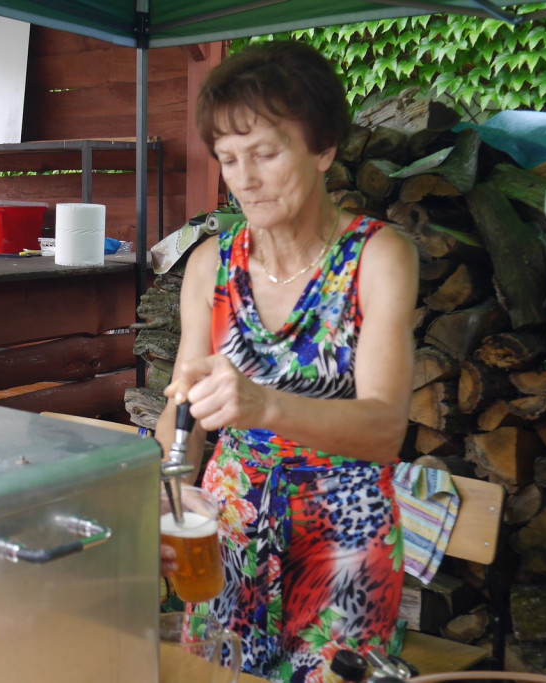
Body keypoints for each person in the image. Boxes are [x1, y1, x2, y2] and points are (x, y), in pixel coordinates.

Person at [155, 41, 419, 681]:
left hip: (342, 543)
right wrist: (170, 492)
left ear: (322, 148)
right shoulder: (209, 264)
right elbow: (180, 421)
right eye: (228, 158)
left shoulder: (377, 257)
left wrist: (263, 405)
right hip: (229, 535)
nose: (244, 178)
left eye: (266, 153)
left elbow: (385, 430)